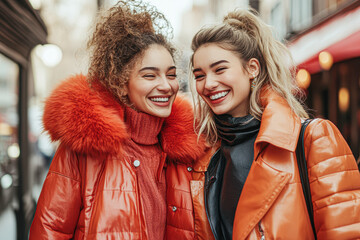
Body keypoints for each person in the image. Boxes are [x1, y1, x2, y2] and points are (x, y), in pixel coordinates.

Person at [29, 1, 205, 239]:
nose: (166, 85)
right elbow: (50, 230)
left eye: (171, 74)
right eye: (149, 75)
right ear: (122, 84)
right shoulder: (84, 148)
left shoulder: (185, 151)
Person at [188, 8, 360, 240]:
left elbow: (345, 233)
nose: (208, 84)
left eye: (220, 69)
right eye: (199, 75)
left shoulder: (313, 138)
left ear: (252, 69)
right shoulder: (206, 154)